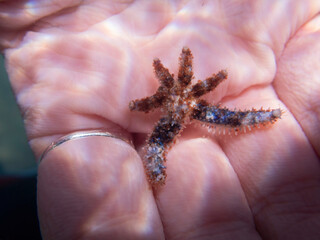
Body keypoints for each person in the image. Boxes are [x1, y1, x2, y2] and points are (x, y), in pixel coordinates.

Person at [1, 1, 320, 239]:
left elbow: (156, 96)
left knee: (208, 128)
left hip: (185, 109)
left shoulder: (181, 92)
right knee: (161, 147)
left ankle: (265, 117)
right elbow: (148, 101)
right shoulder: (175, 94)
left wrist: (147, 102)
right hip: (184, 110)